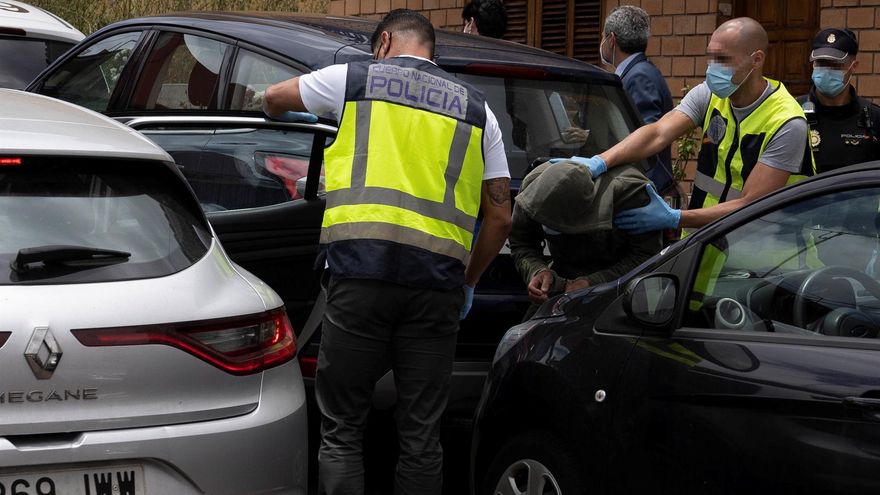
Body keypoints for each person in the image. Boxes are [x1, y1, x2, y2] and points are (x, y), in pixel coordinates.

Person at [262, 9, 512, 495]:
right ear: (431, 51)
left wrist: (288, 112)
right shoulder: (478, 110)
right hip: (437, 289)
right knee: (421, 436)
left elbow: (273, 98)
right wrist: (468, 283)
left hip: (360, 277)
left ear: (383, 44)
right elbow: (500, 217)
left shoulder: (353, 79)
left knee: (342, 429)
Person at [556, 17, 813, 236]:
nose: (713, 68)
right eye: (711, 57)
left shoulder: (788, 123)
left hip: (767, 254)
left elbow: (750, 204)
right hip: (710, 243)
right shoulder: (710, 95)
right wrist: (600, 161)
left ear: (756, 60)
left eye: (723, 59)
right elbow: (658, 133)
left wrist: (676, 217)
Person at [510, 160, 663, 315]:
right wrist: (537, 271)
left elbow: (646, 257)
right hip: (563, 284)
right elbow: (522, 243)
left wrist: (594, 282)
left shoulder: (633, 196)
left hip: (624, 287)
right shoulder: (532, 192)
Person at [600, 5, 675, 192]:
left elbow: (645, 136)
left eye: (602, 36)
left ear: (611, 40)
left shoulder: (640, 76)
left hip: (641, 186)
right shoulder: (638, 72)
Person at [797, 28, 880, 174]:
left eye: (835, 64)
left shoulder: (873, 118)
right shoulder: (793, 111)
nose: (826, 70)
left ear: (853, 66)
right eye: (821, 62)